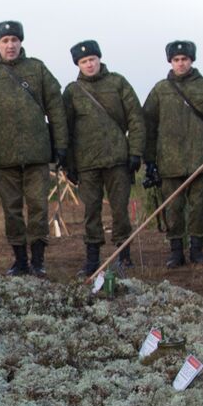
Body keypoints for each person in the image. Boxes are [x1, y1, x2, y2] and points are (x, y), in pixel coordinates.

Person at [0, 20, 66, 276]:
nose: (10, 45)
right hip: (4, 158)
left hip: (37, 154)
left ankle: (38, 260)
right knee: (12, 210)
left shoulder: (37, 69)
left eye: (14, 40)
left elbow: (56, 107)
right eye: (5, 41)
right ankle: (20, 261)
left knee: (38, 207)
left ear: (21, 42)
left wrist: (61, 145)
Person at [142, 40, 203, 267]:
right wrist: (149, 160)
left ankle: (197, 250)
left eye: (185, 59)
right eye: (176, 60)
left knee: (199, 208)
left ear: (192, 60)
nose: (180, 64)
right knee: (173, 209)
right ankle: (176, 251)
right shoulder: (160, 90)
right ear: (170, 61)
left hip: (201, 159)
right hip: (169, 162)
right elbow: (148, 126)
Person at [62, 40, 144, 276]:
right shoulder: (72, 91)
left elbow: (136, 119)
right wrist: (69, 164)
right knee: (91, 211)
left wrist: (135, 152)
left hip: (118, 160)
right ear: (78, 64)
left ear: (99, 59)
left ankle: (124, 254)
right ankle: (92, 258)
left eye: (92, 60)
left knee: (120, 209)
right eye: (84, 61)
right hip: (87, 164)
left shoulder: (118, 82)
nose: (89, 65)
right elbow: (65, 128)